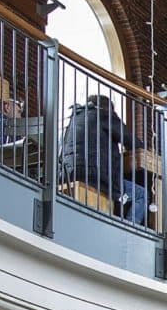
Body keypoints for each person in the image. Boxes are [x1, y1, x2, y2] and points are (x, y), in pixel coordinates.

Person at [57, 93, 148, 225]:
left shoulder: (74, 118)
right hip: (96, 176)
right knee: (141, 194)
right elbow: (133, 143)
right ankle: (130, 228)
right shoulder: (104, 115)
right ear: (109, 109)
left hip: (67, 174)